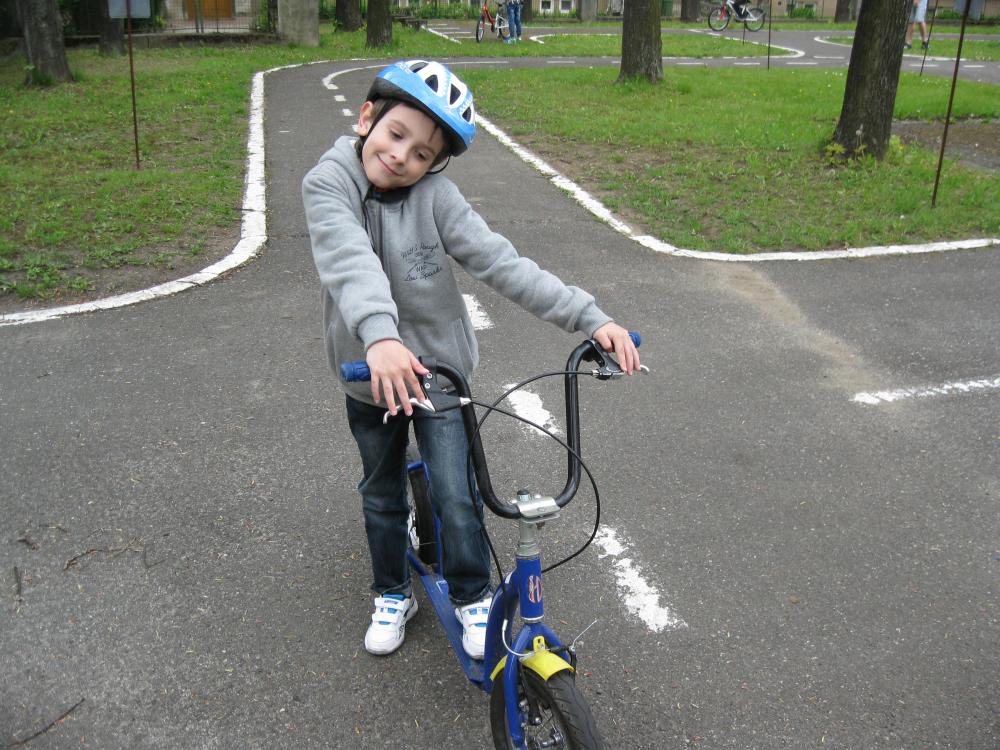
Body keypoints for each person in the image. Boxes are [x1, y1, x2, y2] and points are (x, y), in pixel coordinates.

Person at [301, 60, 640, 660]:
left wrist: (591, 317)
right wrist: (380, 338)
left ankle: (472, 592)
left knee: (458, 493)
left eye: (423, 154)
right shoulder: (329, 183)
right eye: (396, 134)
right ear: (366, 118)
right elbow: (349, 258)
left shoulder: (436, 198)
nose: (402, 156)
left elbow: (502, 263)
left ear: (436, 164)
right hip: (370, 375)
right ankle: (392, 591)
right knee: (381, 492)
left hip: (440, 374)